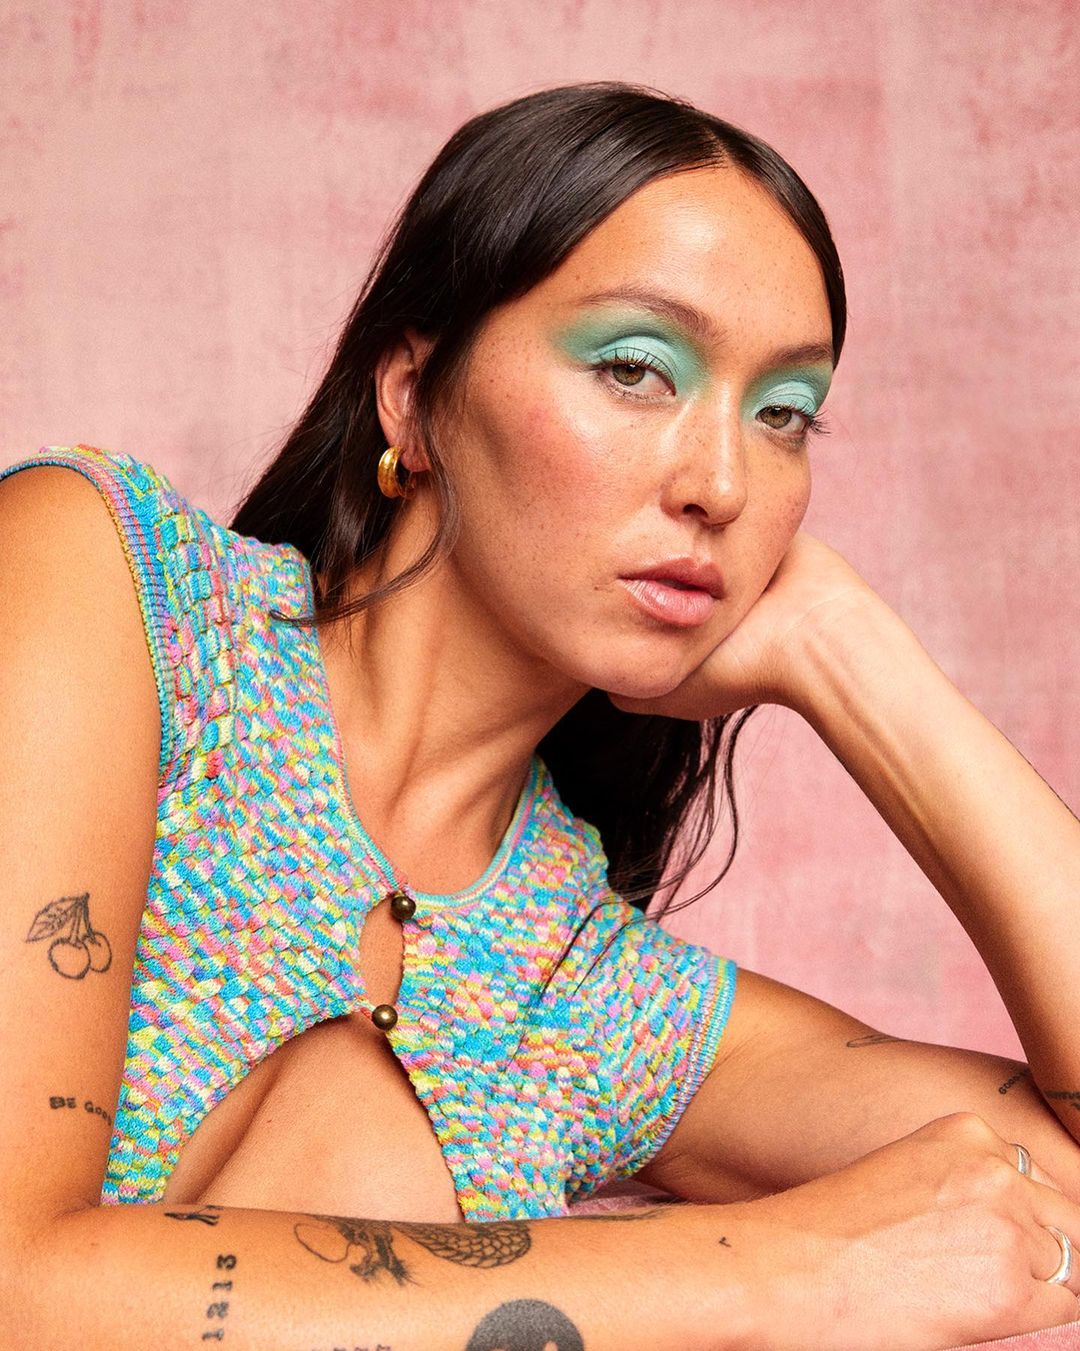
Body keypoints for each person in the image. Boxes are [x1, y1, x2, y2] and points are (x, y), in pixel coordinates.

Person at [1, 80, 1078, 1351]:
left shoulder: (589, 995)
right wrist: (781, 1270)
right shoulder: (123, 598)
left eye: (783, 414)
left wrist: (854, 657)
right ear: (414, 392)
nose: (723, 482)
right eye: (636, 369)